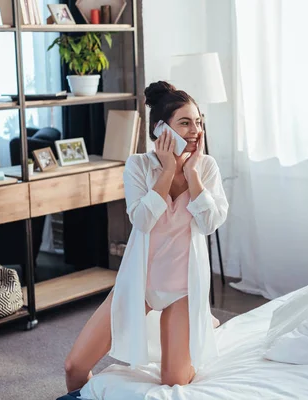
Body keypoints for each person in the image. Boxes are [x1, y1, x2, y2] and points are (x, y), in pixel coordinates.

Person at [64, 81, 229, 391]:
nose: (195, 129)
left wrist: (192, 175)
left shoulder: (206, 168)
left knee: (174, 380)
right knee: (74, 367)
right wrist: (167, 172)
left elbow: (210, 224)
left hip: (183, 289)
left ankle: (200, 319)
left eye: (198, 121)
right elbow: (141, 220)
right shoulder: (138, 166)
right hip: (139, 285)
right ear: (160, 129)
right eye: (185, 122)